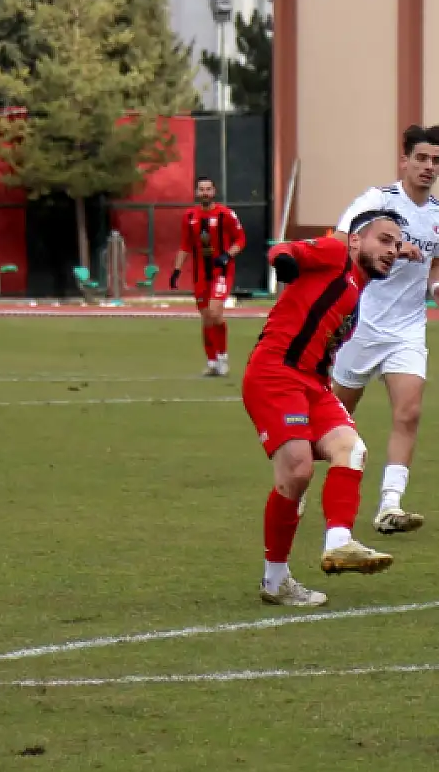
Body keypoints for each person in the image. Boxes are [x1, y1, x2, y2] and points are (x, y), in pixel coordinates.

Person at [243, 211, 420, 607]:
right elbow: (284, 250)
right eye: (384, 240)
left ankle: (339, 542)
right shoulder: (336, 254)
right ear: (356, 241)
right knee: (298, 470)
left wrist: (407, 252)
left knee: (351, 449)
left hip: (313, 384)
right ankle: (275, 580)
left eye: (396, 244)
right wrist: (285, 263)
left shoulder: (356, 291)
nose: (391, 250)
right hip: (276, 373)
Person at [330, 125, 439, 535]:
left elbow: (435, 260)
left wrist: (436, 286)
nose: (428, 166)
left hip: (407, 330)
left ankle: (389, 505)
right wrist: (393, 247)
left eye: (435, 160)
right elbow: (341, 240)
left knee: (410, 411)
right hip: (361, 326)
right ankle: (305, 485)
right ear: (404, 160)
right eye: (421, 158)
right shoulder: (377, 201)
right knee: (334, 419)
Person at [171, 176, 247, 376]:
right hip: (200, 274)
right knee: (206, 318)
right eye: (201, 189)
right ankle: (212, 361)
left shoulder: (226, 214)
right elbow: (185, 245)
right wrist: (176, 271)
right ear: (197, 192)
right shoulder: (189, 216)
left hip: (221, 272)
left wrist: (226, 255)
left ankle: (223, 357)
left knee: (215, 313)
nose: (205, 192)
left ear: (214, 191)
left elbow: (241, 240)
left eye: (208, 189)